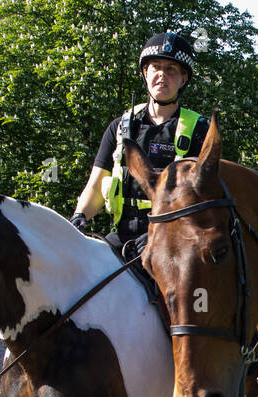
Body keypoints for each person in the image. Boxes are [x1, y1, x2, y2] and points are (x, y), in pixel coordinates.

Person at [70, 32, 210, 263]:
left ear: (183, 79)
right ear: (146, 73)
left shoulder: (199, 130)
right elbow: (94, 187)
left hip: (173, 241)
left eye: (171, 69)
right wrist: (79, 216)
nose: (162, 75)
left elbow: (202, 198)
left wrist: (160, 234)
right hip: (121, 237)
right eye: (155, 67)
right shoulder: (120, 128)